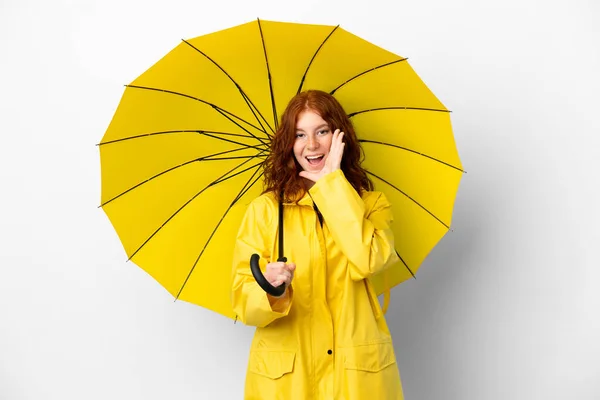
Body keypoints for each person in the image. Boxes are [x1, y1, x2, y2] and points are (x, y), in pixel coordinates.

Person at [231, 89, 404, 399]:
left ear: (339, 137)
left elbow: (369, 260)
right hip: (287, 381)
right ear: (288, 144)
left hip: (354, 378)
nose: (311, 145)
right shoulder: (266, 211)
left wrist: (331, 184)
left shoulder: (372, 205)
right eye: (299, 134)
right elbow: (244, 305)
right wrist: (270, 290)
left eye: (321, 131)